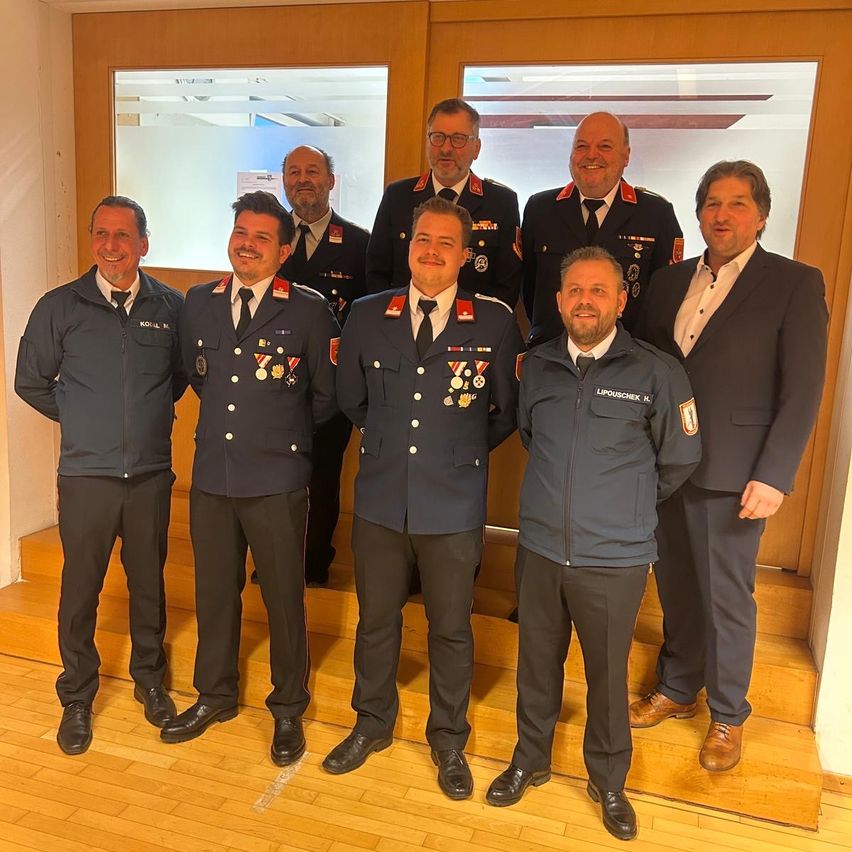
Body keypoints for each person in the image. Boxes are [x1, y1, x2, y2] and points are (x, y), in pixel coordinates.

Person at [485, 246, 700, 841]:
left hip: (616, 557)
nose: (585, 300)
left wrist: (622, 506)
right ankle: (529, 759)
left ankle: (608, 781)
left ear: (621, 299)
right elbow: (530, 436)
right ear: (558, 301)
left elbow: (679, 459)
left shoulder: (658, 372)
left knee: (607, 677)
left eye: (598, 290)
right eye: (575, 290)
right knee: (536, 665)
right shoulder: (539, 367)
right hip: (542, 549)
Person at [630, 161, 828, 773]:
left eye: (738, 203)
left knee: (727, 598)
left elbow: (802, 390)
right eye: (713, 203)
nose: (723, 214)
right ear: (699, 213)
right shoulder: (665, 283)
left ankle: (728, 714)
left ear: (761, 215)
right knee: (677, 588)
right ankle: (679, 688)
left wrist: (774, 474)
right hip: (666, 465)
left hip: (737, 474)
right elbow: (640, 367)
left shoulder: (794, 283)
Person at [324, 196, 524, 799]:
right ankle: (372, 723)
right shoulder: (365, 315)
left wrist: (453, 452)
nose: (430, 252)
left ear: (465, 254)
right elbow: (352, 401)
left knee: (451, 629)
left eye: (444, 243)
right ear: (408, 246)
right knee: (376, 620)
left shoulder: (493, 322)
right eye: (421, 241)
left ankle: (448, 740)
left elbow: (503, 415)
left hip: (453, 503)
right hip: (383, 498)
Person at [160, 191, 339, 766]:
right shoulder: (198, 303)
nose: (247, 244)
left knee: (284, 598)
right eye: (241, 232)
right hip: (213, 472)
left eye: (262, 237)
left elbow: (325, 397)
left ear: (284, 250)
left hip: (277, 477)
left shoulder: (309, 310)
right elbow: (198, 374)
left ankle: (288, 708)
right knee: (215, 593)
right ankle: (215, 695)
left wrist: (274, 434)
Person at [15, 195, 186, 755]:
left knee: (147, 585)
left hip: (149, 476)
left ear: (143, 244)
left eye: (122, 236)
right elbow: (30, 381)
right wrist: (85, 416)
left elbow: (179, 377)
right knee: (80, 588)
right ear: (93, 241)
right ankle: (77, 696)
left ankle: (150, 681)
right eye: (101, 235)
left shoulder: (171, 306)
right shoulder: (59, 307)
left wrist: (141, 418)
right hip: (86, 477)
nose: (111, 246)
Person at [280, 144, 369, 586]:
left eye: (312, 171)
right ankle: (279, 561)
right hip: (272, 381)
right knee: (277, 475)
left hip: (332, 384)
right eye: (293, 172)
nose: (302, 179)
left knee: (323, 474)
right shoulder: (268, 236)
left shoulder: (359, 244)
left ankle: (314, 563)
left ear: (330, 181)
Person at [522, 111, 683, 346]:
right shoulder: (540, 209)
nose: (591, 155)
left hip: (628, 361)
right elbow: (528, 290)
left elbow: (664, 299)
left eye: (605, 146)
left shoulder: (656, 213)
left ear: (626, 155)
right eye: (582, 146)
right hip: (551, 357)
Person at [366, 98, 522, 307]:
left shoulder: (501, 202)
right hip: (401, 326)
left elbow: (507, 285)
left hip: (473, 330)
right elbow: (376, 272)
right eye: (438, 137)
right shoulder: (398, 196)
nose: (446, 148)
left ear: (476, 147)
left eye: (458, 139)